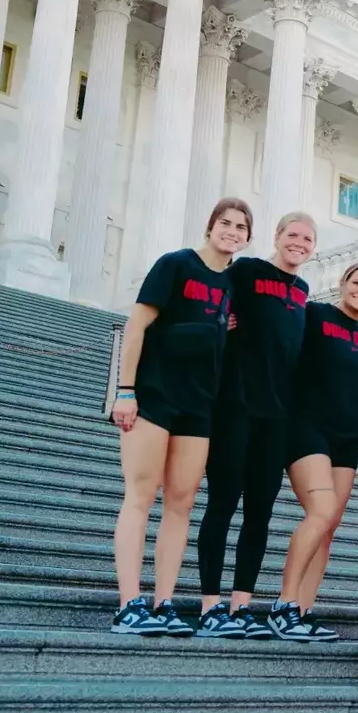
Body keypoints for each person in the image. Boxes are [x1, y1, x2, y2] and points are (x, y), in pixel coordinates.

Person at [108, 199, 249, 635]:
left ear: (247, 237)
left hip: (199, 405)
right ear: (209, 228)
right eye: (225, 223)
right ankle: (129, 603)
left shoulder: (229, 286)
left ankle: (163, 601)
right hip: (153, 395)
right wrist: (124, 391)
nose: (232, 231)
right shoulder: (175, 264)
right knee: (141, 496)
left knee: (181, 504)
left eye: (241, 226)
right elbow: (136, 327)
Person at [195, 212, 315, 639]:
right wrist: (218, 322)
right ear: (277, 236)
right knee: (223, 503)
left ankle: (241, 605)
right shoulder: (246, 270)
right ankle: (211, 606)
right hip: (235, 405)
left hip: (276, 415)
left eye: (307, 238)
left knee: (260, 513)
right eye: (292, 235)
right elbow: (212, 300)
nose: (299, 243)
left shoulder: (302, 291)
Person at [270, 261, 358, 640]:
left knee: (329, 527)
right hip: (308, 428)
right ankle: (283, 605)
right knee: (319, 513)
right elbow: (280, 338)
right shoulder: (316, 314)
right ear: (343, 283)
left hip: (347, 440)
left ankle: (302, 611)